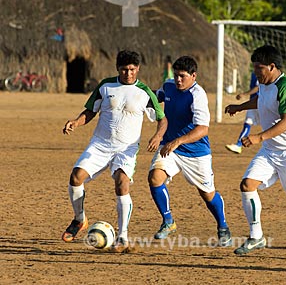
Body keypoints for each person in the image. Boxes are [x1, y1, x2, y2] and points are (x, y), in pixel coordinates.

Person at [62, 50, 167, 253]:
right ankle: (79, 219)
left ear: (138, 69)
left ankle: (122, 236)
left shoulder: (145, 92)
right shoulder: (106, 86)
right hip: (100, 144)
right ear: (117, 69)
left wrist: (158, 136)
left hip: (126, 149)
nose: (128, 73)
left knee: (122, 185)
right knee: (76, 177)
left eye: (132, 70)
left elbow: (162, 119)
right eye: (124, 69)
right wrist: (76, 122)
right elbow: (91, 110)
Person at [225, 45, 286, 260]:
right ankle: (256, 237)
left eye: (259, 68)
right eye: (254, 67)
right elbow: (260, 99)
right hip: (270, 150)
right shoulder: (264, 83)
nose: (256, 72)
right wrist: (240, 107)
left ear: (272, 67)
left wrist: (258, 137)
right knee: (247, 185)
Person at [148, 56, 232, 247]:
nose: (178, 80)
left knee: (207, 193)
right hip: (171, 147)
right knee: (154, 177)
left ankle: (223, 226)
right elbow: (155, 96)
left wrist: (178, 141)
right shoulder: (169, 86)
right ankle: (168, 221)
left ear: (193, 76)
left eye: (182, 76)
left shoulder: (197, 95)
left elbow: (203, 129)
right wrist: (135, 92)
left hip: (196, 152)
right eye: (176, 75)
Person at [225, 72, 260, 154]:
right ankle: (238, 145)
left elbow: (258, 87)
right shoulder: (254, 72)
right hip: (253, 103)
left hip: (260, 103)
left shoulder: (262, 70)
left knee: (270, 125)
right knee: (248, 122)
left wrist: (245, 94)